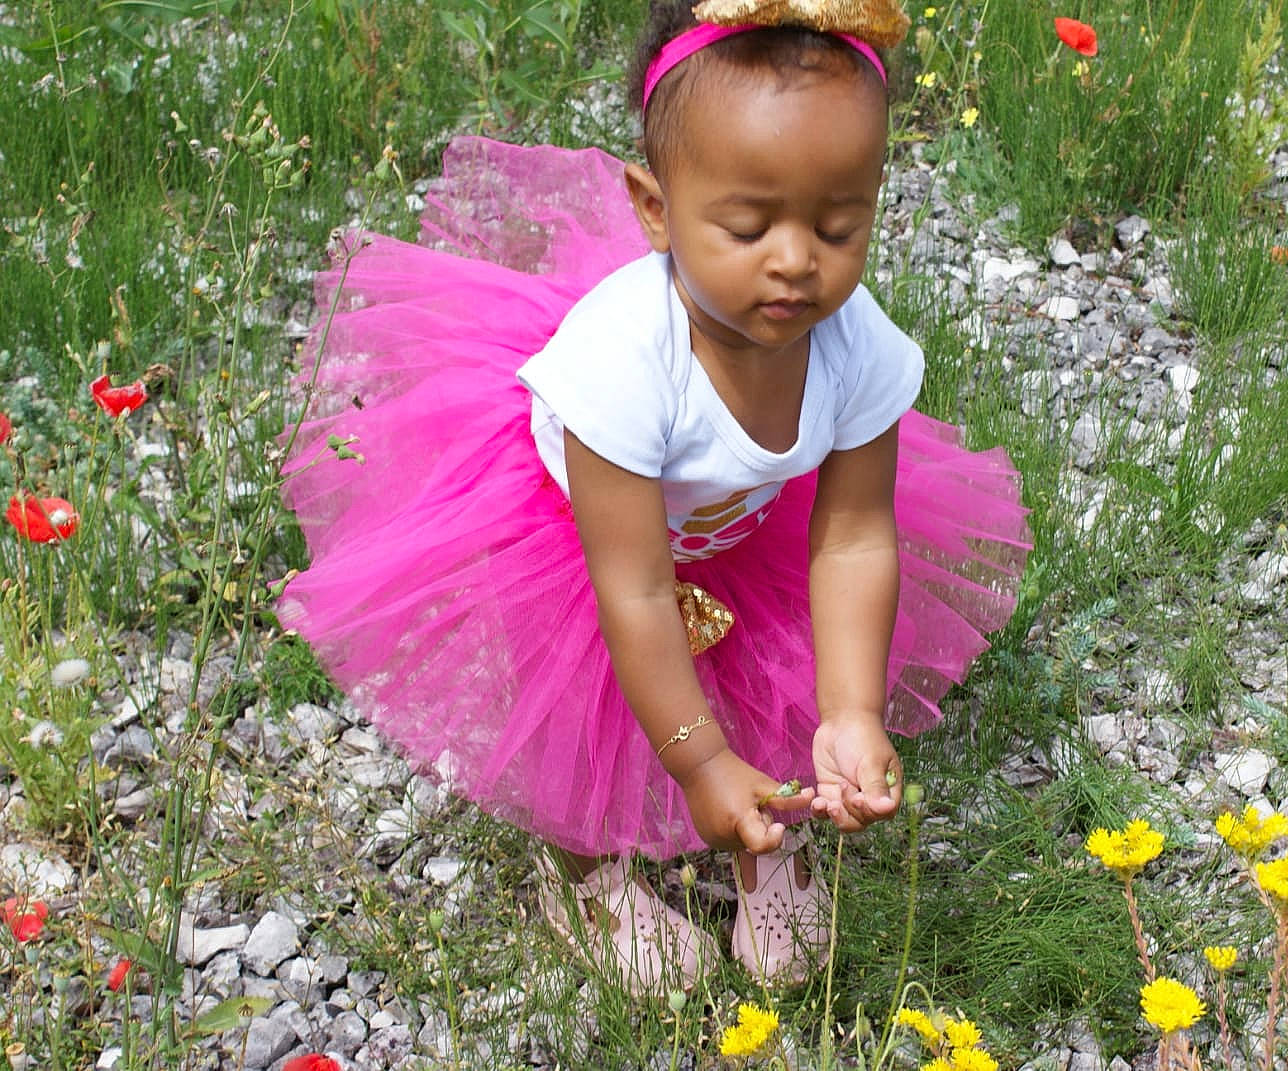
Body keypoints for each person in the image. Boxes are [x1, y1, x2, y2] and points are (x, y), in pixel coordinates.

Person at [278, 0, 1029, 997]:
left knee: (780, 659)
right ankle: (586, 869)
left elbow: (850, 538)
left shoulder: (858, 350)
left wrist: (852, 710)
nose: (796, 259)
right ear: (654, 209)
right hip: (581, 543)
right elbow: (631, 590)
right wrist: (696, 758)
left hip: (733, 525)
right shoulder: (622, 367)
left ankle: (774, 828)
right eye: (749, 224)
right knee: (581, 704)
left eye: (837, 223)